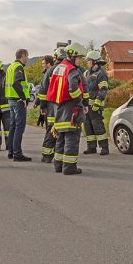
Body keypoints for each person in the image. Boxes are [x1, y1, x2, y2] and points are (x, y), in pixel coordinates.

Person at [46, 43, 89, 175]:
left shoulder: (58, 68)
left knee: (61, 138)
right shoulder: (72, 70)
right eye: (79, 57)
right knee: (72, 138)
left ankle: (58, 165)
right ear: (72, 56)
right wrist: (80, 102)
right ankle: (69, 167)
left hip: (58, 108)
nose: (80, 60)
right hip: (71, 108)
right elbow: (73, 88)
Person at [5, 49, 31, 162]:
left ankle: (11, 151)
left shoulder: (10, 67)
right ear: (23, 56)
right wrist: (24, 97)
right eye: (27, 56)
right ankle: (17, 153)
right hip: (18, 101)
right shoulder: (18, 67)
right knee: (19, 127)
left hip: (11, 100)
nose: (28, 59)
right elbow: (16, 83)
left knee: (13, 126)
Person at [83, 50, 110, 155]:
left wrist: (97, 103)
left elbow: (103, 89)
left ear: (94, 62)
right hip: (87, 106)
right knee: (88, 127)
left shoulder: (101, 74)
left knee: (98, 126)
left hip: (96, 106)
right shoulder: (86, 73)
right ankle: (91, 147)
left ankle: (104, 148)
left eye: (88, 61)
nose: (87, 63)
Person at [36, 52, 61, 163]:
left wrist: (43, 106)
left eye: (44, 64)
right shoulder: (68, 69)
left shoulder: (50, 71)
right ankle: (56, 155)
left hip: (51, 107)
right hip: (62, 108)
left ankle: (47, 155)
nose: (43, 66)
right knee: (58, 131)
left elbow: (42, 91)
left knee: (51, 131)